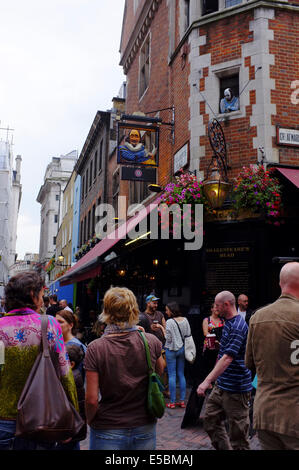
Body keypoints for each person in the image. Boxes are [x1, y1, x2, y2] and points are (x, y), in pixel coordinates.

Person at [0, 271, 79, 450]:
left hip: (3, 422)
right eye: (41, 296)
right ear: (32, 295)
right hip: (42, 418)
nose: (43, 301)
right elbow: (65, 373)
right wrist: (70, 417)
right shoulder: (49, 324)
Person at [85, 286, 165, 450]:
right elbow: (160, 371)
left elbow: (91, 399)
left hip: (107, 426)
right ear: (133, 309)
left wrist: (90, 420)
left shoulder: (96, 347)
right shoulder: (150, 341)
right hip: (144, 424)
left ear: (106, 311)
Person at [245, 262, 299, 450]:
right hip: (294, 414)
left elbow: (249, 362)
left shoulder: (257, 317)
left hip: (264, 411)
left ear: (280, 284)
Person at [197, 291, 252, 450]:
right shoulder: (227, 321)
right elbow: (229, 351)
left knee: (239, 437)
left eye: (217, 305)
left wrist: (207, 381)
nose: (215, 308)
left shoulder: (238, 325)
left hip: (236, 389)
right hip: (222, 385)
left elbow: (228, 358)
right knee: (210, 421)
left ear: (226, 305)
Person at [181, 303, 225, 428]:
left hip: (219, 354)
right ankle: (193, 415)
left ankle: (218, 416)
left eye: (218, 307)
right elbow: (206, 333)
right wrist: (216, 339)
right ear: (211, 309)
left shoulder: (223, 321)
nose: (217, 309)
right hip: (208, 354)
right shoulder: (207, 320)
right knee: (201, 382)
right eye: (215, 307)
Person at [55, 344, 87, 451]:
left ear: (71, 364)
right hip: (74, 430)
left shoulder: (70, 379)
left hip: (69, 431)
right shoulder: (76, 375)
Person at [164, 302, 191, 409]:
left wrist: (162, 329)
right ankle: (182, 401)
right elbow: (188, 335)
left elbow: (168, 338)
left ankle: (172, 402)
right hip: (182, 349)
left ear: (171, 310)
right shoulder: (185, 320)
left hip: (171, 350)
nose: (166, 312)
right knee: (181, 374)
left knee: (172, 375)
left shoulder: (169, 322)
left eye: (167, 310)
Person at [55, 309, 87, 380]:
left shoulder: (76, 346)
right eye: (55, 321)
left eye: (60, 322)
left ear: (70, 325)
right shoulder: (58, 342)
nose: (56, 324)